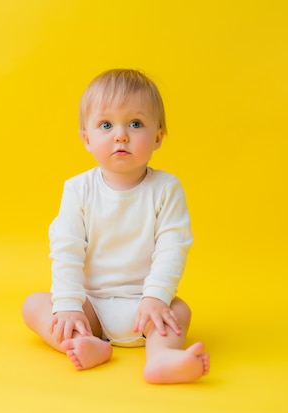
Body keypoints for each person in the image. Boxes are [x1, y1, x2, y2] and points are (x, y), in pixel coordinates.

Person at [22, 69, 209, 384]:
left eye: (135, 124)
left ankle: (161, 358)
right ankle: (87, 343)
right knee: (35, 305)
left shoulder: (166, 188)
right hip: (91, 306)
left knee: (180, 311)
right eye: (106, 125)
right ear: (87, 138)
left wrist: (156, 297)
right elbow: (66, 247)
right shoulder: (78, 189)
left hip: (145, 307)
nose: (121, 135)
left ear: (159, 136)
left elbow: (172, 246)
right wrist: (69, 305)